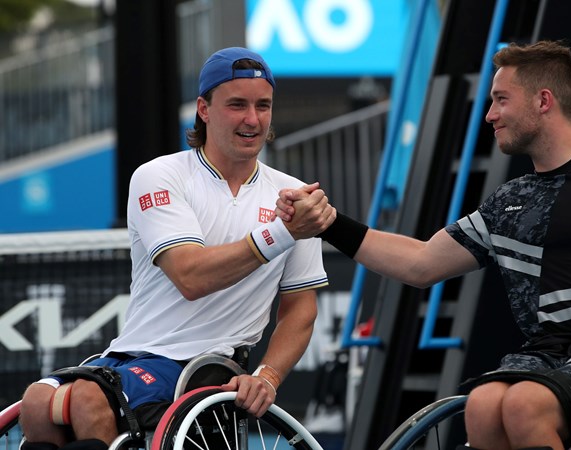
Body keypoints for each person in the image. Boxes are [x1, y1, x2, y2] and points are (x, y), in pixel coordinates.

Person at [275, 41, 571, 450]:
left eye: (500, 100)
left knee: (523, 406)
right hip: (550, 356)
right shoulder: (510, 200)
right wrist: (329, 223)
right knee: (482, 405)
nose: (489, 114)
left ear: (543, 101)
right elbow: (419, 263)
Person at [18, 47, 335, 450]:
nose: (252, 119)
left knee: (85, 400)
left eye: (263, 105)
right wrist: (283, 233)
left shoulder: (291, 194)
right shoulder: (159, 175)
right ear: (203, 108)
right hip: (130, 354)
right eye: (237, 105)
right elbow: (192, 276)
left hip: (205, 367)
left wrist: (267, 377)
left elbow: (300, 310)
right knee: (36, 402)